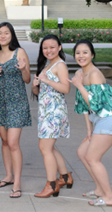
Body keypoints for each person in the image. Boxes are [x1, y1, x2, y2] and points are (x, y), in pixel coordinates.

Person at [68, 40, 112, 207]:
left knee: (93, 158)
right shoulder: (80, 72)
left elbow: (96, 105)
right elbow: (83, 105)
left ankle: (109, 197)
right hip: (98, 121)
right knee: (82, 152)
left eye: (85, 52)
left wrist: (79, 85)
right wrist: (88, 130)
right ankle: (100, 189)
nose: (81, 56)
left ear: (92, 54)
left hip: (110, 120)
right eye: (78, 52)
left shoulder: (94, 74)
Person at [0, 22, 31, 198]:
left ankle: (17, 182)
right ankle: (8, 175)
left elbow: (28, 79)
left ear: (12, 35)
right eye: (0, 33)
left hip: (17, 102)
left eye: (6, 33)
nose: (2, 36)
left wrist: (23, 69)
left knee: (13, 143)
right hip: (0, 101)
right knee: (5, 141)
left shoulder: (20, 52)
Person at [31, 34, 73, 198]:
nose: (48, 50)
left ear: (59, 48)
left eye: (52, 47)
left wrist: (47, 81)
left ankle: (52, 185)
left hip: (54, 112)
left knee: (44, 148)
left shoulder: (60, 65)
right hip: (46, 111)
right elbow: (39, 92)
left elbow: (66, 89)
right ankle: (65, 177)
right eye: (45, 48)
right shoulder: (48, 65)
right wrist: (36, 86)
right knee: (49, 147)